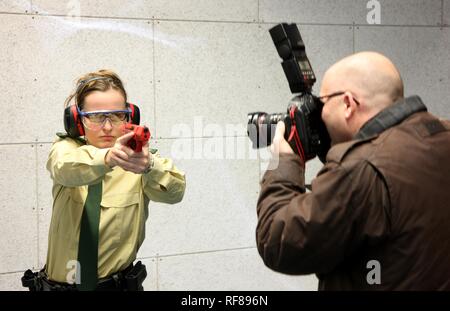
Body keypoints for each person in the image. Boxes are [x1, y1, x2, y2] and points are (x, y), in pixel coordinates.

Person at [256, 51, 450, 290]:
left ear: (348, 103)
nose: (321, 115)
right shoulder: (441, 133)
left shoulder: (360, 170)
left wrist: (283, 161)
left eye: (322, 104)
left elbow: (277, 242)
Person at [24, 69, 186, 291]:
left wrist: (149, 166)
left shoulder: (139, 161)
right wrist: (108, 158)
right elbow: (64, 168)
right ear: (78, 121)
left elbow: (176, 192)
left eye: (117, 115)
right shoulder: (65, 150)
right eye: (96, 117)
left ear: (129, 117)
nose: (108, 127)